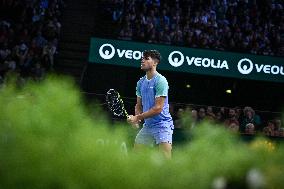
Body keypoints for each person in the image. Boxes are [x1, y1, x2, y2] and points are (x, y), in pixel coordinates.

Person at [127, 50, 174, 159]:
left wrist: (137, 117)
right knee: (135, 157)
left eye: (146, 58)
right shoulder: (140, 82)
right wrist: (137, 120)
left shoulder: (161, 81)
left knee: (166, 159)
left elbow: (158, 108)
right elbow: (138, 105)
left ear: (155, 63)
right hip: (148, 126)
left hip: (163, 124)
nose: (142, 60)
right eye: (142, 58)